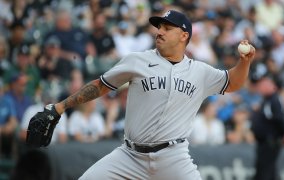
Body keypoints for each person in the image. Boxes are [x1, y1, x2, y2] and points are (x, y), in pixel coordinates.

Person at [39, 10, 255, 179]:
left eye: (167, 28)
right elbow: (100, 85)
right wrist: (59, 107)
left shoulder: (200, 72)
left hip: (173, 157)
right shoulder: (137, 60)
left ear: (184, 35)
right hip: (130, 155)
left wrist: (244, 62)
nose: (159, 31)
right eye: (159, 27)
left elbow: (232, 82)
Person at [250, 73, 284, 180]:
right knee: (267, 171)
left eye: (265, 85)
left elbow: (279, 119)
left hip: (270, 142)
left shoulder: (274, 100)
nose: (261, 87)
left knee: (265, 172)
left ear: (273, 86)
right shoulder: (266, 101)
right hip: (264, 142)